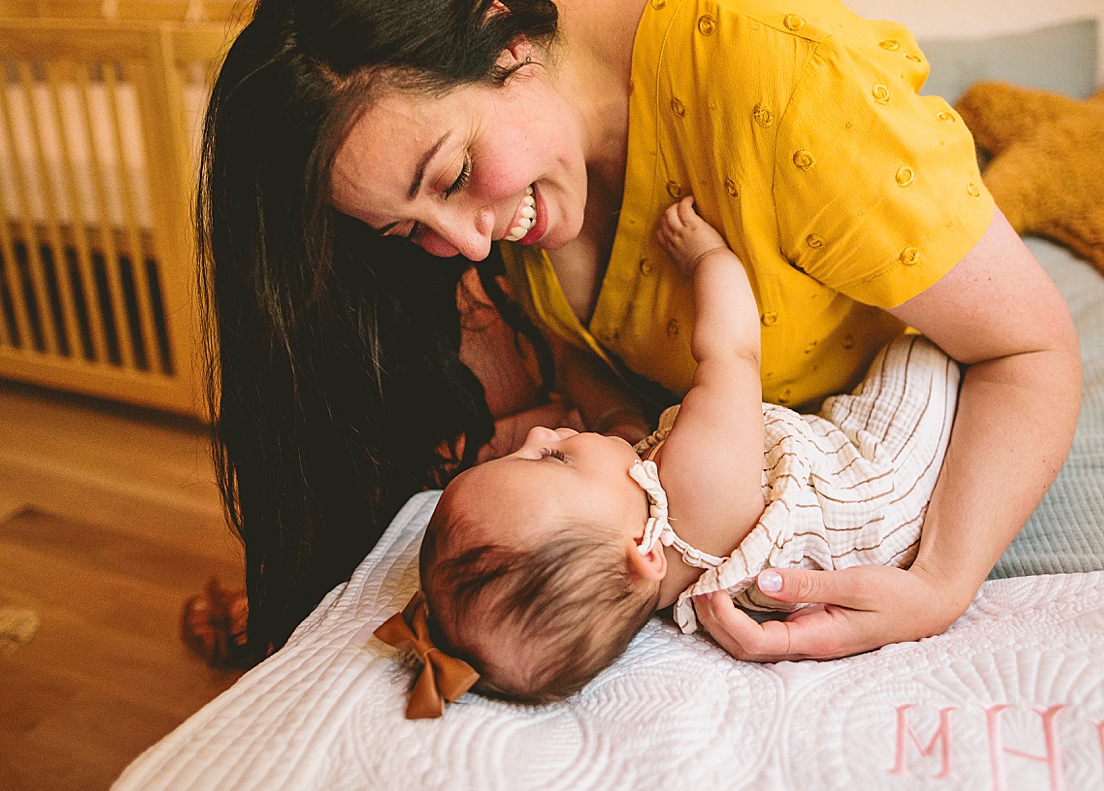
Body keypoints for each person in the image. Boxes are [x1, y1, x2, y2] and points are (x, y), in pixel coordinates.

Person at [199, 0, 1081, 665]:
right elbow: (578, 363)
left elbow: (1031, 346)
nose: (468, 243)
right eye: (409, 228)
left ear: (507, 37)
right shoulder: (478, 122)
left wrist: (941, 583)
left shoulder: (776, 74)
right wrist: (612, 425)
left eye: (458, 170)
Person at [383, 199, 960, 711]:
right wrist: (708, 259)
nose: (542, 436)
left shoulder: (637, 554)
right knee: (925, 344)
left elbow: (621, 437)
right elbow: (731, 355)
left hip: (834, 483)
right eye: (555, 460)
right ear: (643, 553)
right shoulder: (696, 487)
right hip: (882, 477)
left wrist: (604, 421)